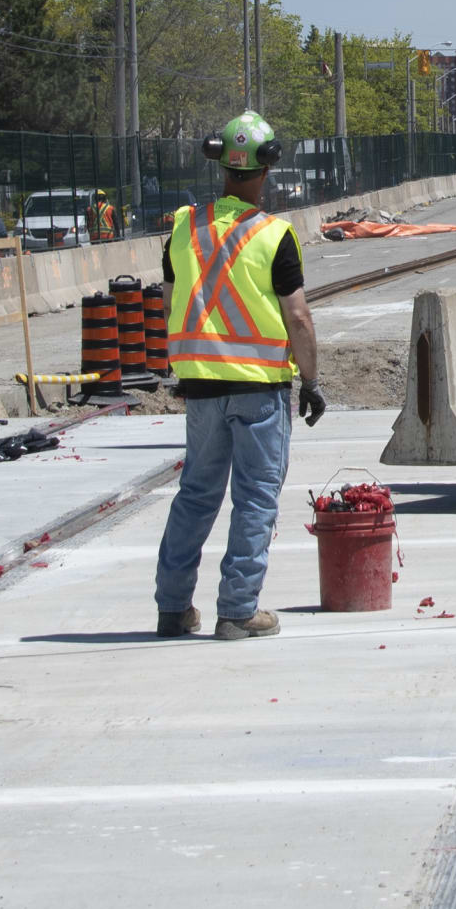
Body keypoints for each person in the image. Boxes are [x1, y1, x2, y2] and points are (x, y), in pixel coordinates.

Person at [153, 113, 322, 641]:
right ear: (267, 167)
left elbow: (168, 301)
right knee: (255, 497)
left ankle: (173, 608)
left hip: (200, 387)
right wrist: (312, 382)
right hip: (259, 389)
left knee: (196, 494)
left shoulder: (184, 226)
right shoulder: (275, 235)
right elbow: (297, 317)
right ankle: (237, 610)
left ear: (220, 163)